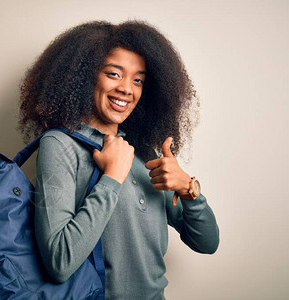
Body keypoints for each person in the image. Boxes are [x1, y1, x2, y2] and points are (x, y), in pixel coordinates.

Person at [19, 20, 219, 300]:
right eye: (114, 74)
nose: (127, 89)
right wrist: (112, 178)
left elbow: (207, 243)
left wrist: (189, 189)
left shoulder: (143, 153)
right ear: (86, 76)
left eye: (138, 79)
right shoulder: (61, 145)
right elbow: (59, 262)